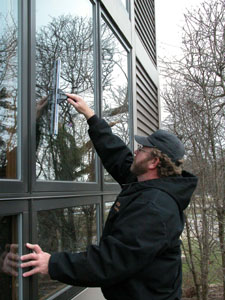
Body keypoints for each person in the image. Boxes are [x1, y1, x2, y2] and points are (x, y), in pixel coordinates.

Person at [21, 94, 198, 300]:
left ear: (154, 162)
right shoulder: (148, 184)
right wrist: (91, 117)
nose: (136, 151)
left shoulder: (154, 208)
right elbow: (117, 155)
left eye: (141, 149)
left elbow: (109, 262)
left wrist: (52, 264)